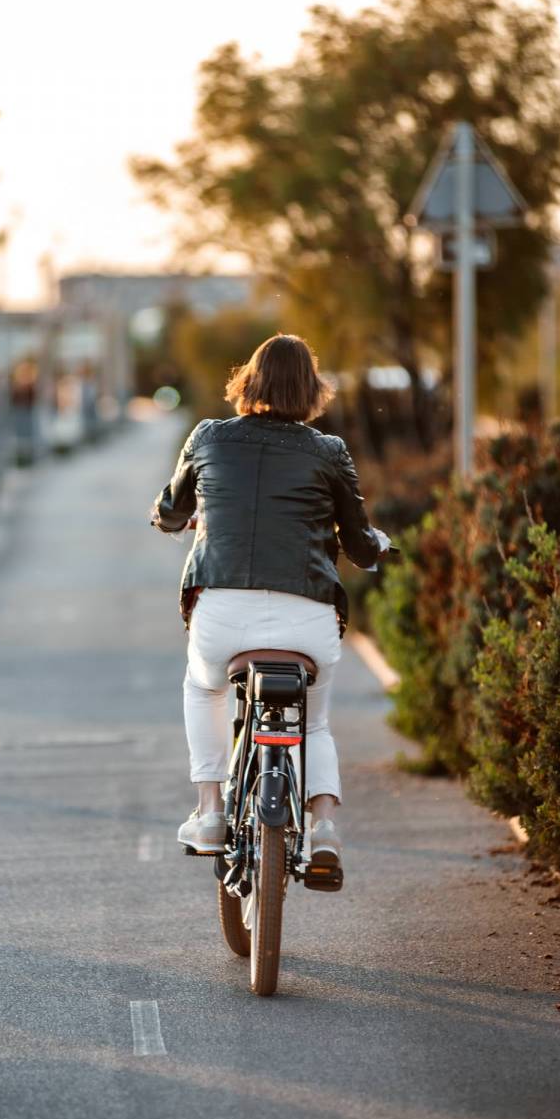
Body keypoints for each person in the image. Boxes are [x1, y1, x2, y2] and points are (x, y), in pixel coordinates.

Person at [150, 333, 390, 874]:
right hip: (308, 617)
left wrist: (174, 519)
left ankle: (211, 811)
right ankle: (324, 826)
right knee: (315, 725)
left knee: (203, 688)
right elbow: (357, 543)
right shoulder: (329, 451)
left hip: (222, 615)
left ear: (248, 381)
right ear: (311, 389)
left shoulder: (208, 437)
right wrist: (378, 545)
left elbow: (169, 510)